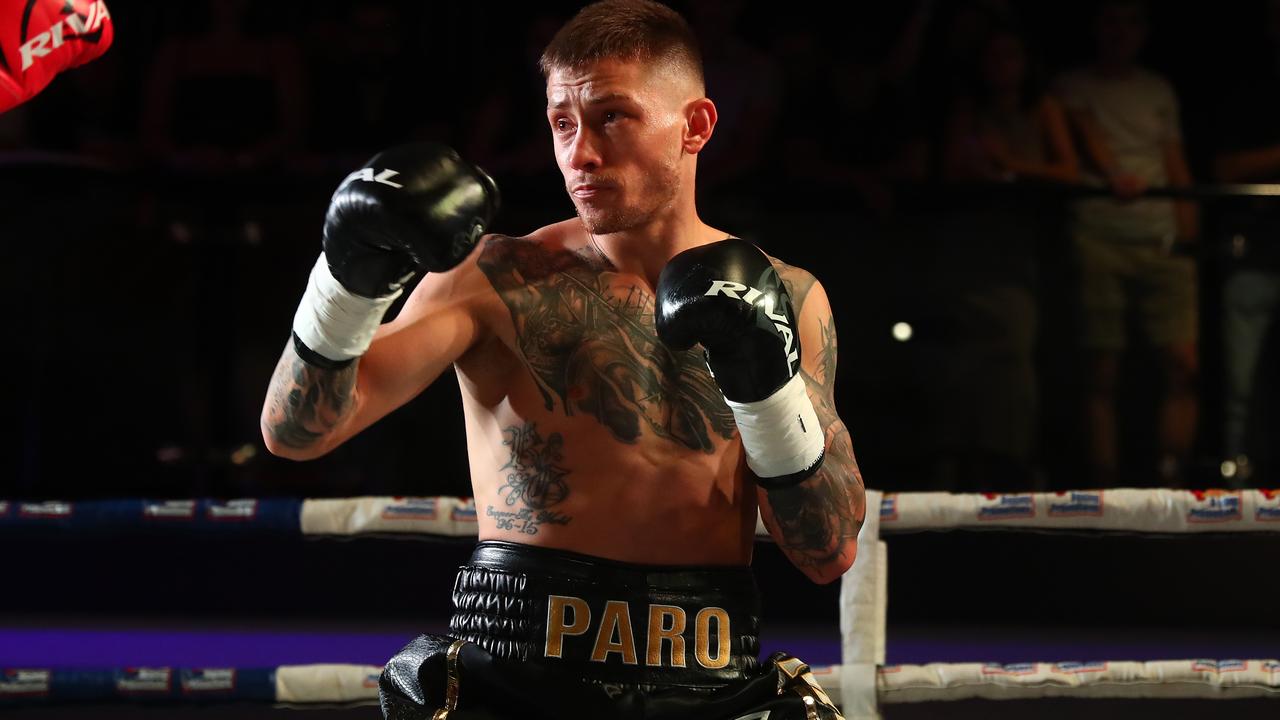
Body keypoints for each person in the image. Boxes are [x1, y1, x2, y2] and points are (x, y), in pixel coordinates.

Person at [259, 2, 863, 718]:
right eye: (562, 122)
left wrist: (769, 392)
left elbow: (827, 551)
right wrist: (345, 280)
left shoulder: (790, 296)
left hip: (706, 681)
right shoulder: (498, 278)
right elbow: (296, 433)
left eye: (612, 117)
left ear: (695, 125)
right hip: (513, 679)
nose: (580, 153)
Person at [1055, 0, 1199, 486]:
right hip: (1100, 237)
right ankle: (1103, 482)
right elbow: (1087, 138)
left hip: (1160, 238)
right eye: (1111, 20)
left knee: (1182, 363)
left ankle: (1171, 476)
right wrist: (1115, 174)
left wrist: (1188, 227)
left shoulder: (1158, 89)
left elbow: (1172, 157)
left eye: (1132, 21)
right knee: (1103, 366)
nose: (1121, 31)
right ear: (1097, 27)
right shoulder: (1073, 87)